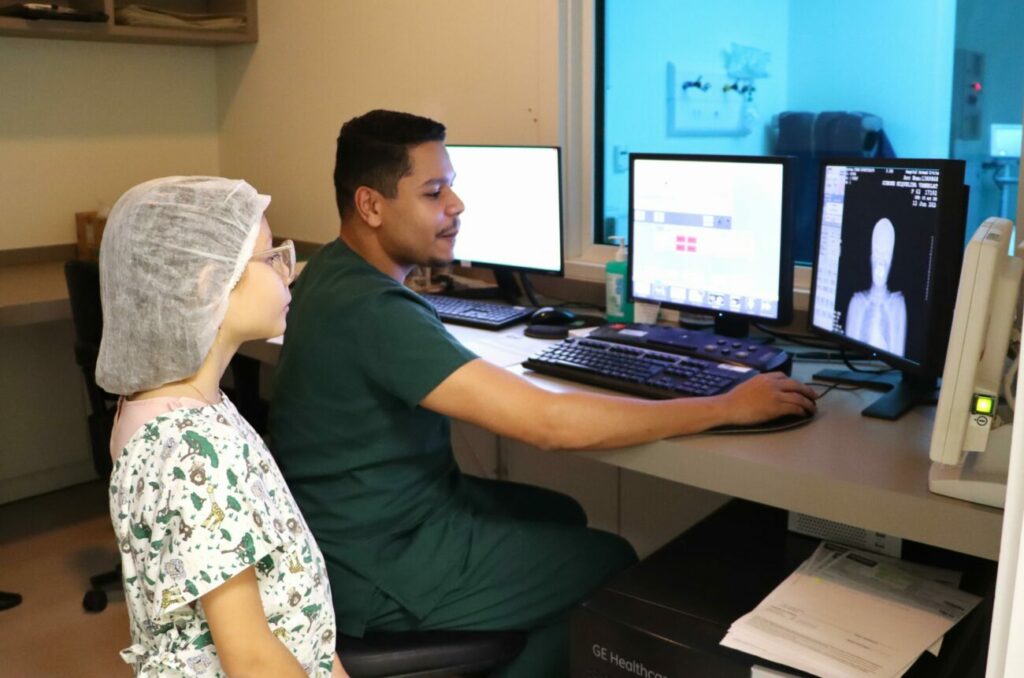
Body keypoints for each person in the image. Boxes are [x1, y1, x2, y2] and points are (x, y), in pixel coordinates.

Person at [270, 110, 817, 677]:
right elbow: (549, 425)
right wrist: (723, 406)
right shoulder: (376, 311)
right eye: (434, 191)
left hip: (354, 525)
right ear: (371, 206)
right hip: (379, 563)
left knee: (563, 511)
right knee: (611, 560)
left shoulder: (329, 272)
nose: (456, 205)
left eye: (451, 185)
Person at [96, 177, 348, 677]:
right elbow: (252, 659)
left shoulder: (158, 408)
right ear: (209, 284)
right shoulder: (193, 451)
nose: (289, 273)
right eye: (271, 259)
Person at [845, 217, 907, 356]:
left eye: (886, 256)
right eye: (878, 253)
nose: (881, 263)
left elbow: (898, 357)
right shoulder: (857, 302)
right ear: (871, 256)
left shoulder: (897, 305)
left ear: (892, 260)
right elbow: (849, 353)